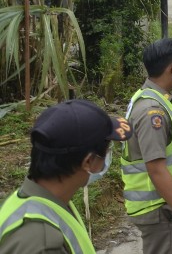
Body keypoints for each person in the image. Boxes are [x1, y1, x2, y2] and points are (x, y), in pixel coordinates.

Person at [0, 100, 132, 254]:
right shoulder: (43, 243)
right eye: (108, 150)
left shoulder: (42, 202)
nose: (109, 156)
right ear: (88, 161)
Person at [121, 38, 172, 253]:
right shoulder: (152, 111)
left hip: (162, 206)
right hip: (159, 209)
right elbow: (156, 169)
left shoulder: (153, 97)